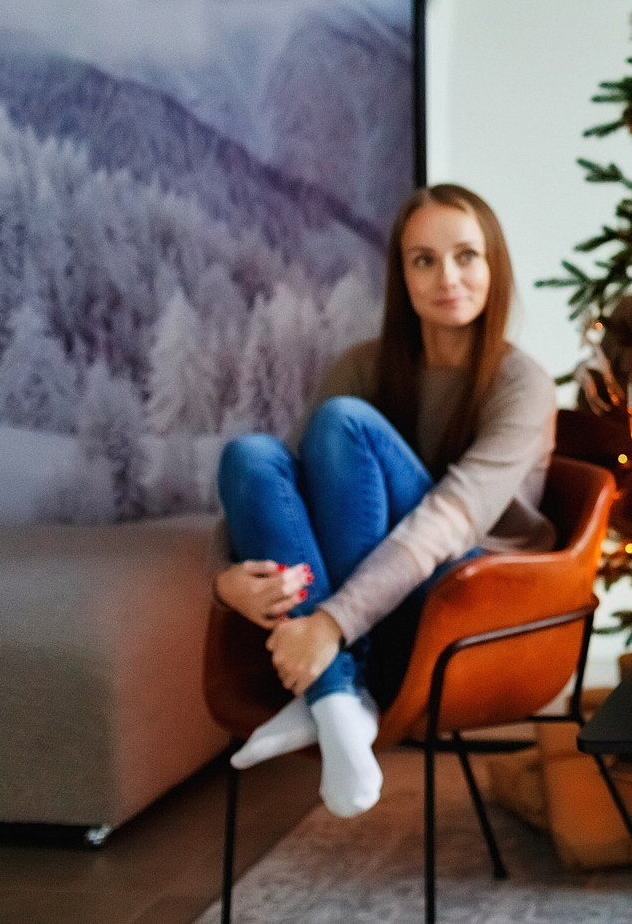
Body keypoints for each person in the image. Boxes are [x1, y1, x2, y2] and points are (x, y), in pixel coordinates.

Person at [210, 184, 556, 819]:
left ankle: (332, 684)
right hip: (366, 599)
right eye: (423, 259)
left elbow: (448, 520)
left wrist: (330, 624)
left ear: (493, 265)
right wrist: (226, 580)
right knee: (249, 456)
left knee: (345, 422)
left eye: (466, 256)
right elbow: (277, 490)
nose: (447, 277)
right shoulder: (364, 365)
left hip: (460, 593)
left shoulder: (522, 384)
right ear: (402, 275)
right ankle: (337, 701)